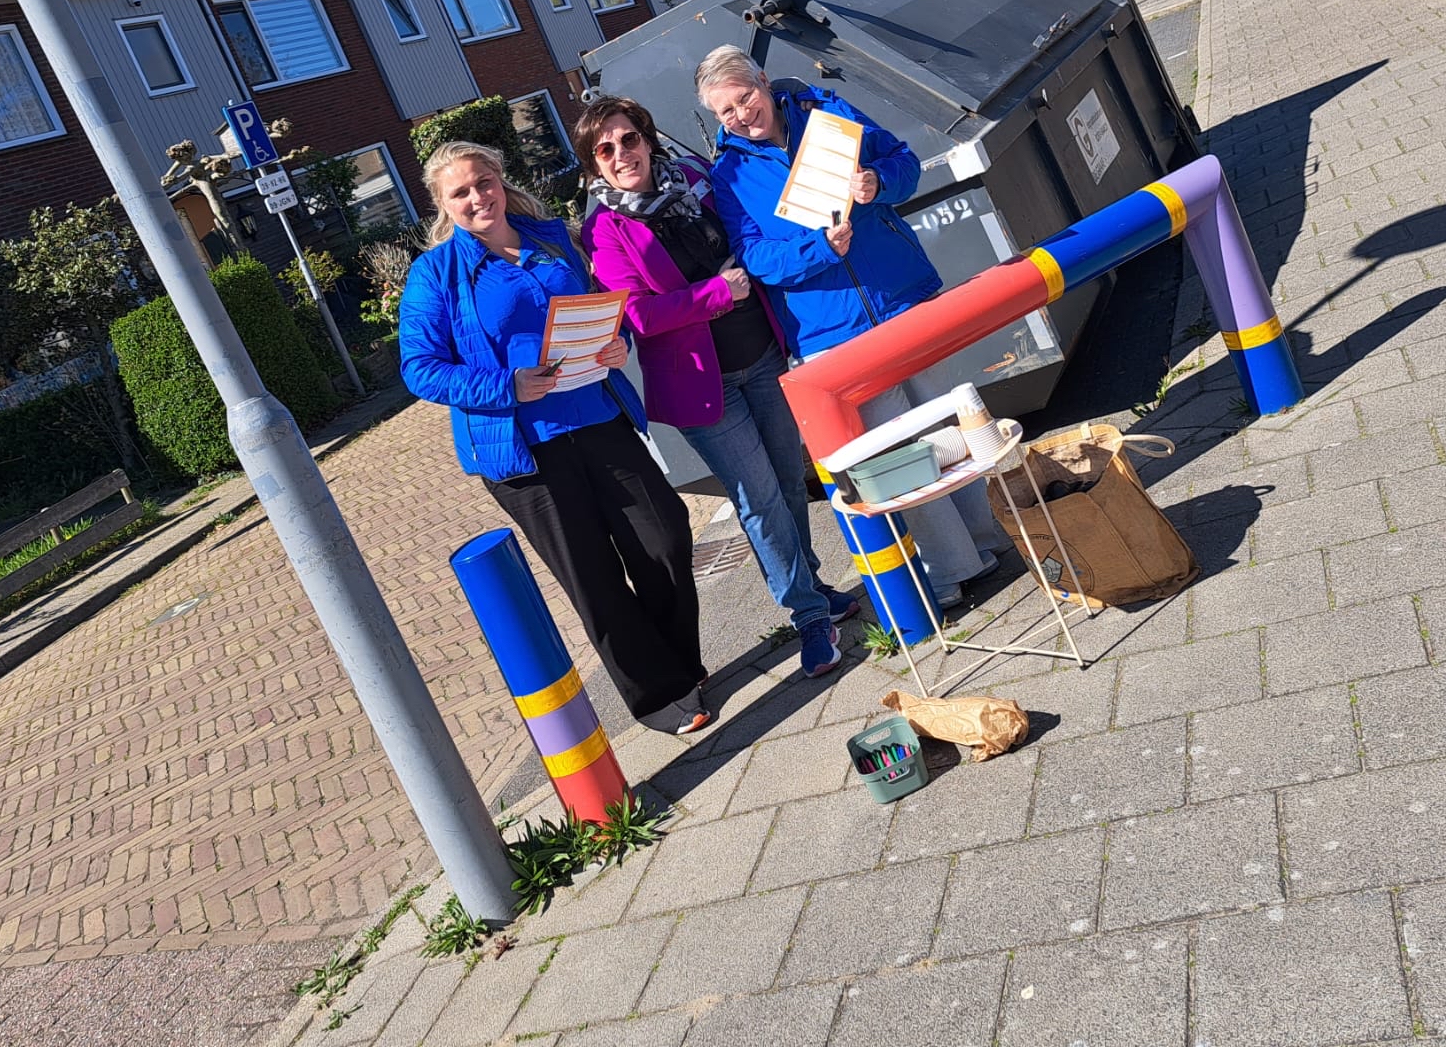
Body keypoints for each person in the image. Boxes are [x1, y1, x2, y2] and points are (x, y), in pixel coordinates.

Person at [399, 139, 711, 734]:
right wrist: (508, 385)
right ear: (443, 204)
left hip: (599, 418)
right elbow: (420, 368)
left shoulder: (552, 239)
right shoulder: (435, 274)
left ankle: (679, 662)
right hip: (525, 452)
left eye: (484, 182)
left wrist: (615, 342)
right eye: (460, 192)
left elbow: (598, 308)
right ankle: (659, 694)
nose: (477, 197)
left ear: (500, 180)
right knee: (592, 576)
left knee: (664, 537)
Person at [696, 46, 1005, 610]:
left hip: (901, 296)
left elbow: (904, 164)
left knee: (949, 426)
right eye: (726, 112)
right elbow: (756, 259)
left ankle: (989, 540)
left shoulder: (829, 113)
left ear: (763, 81)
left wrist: (876, 181)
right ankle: (951, 568)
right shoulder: (730, 175)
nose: (742, 115)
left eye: (745, 98)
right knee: (898, 451)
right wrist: (819, 248)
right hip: (833, 331)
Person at [574, 94, 861, 680]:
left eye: (629, 139)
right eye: (605, 149)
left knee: (789, 479)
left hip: (763, 353)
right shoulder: (603, 229)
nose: (621, 154)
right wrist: (716, 294)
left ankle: (812, 585)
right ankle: (808, 614)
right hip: (703, 387)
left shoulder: (695, 178)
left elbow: (750, 231)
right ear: (593, 163)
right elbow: (639, 315)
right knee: (758, 498)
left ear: (647, 137)